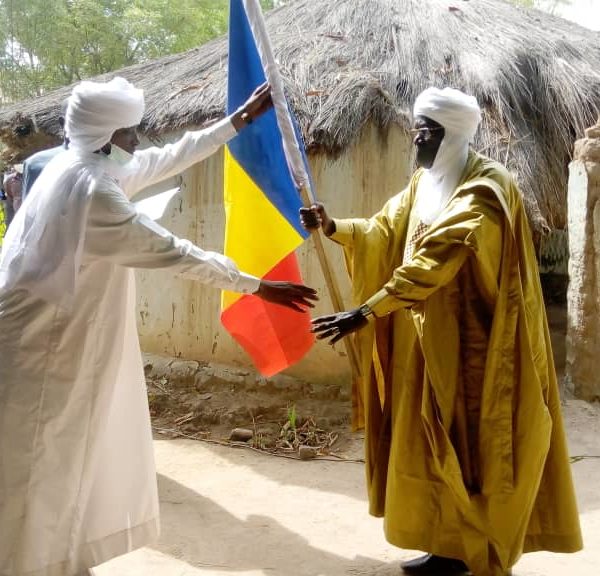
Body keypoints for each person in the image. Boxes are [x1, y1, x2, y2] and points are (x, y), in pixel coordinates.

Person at [0, 76, 317, 576]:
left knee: (54, 456)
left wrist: (237, 121)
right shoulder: (94, 191)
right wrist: (257, 286)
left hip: (50, 336)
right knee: (43, 457)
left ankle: (49, 556)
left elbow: (169, 156)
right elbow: (174, 252)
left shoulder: (78, 164)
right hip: (49, 349)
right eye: (130, 133)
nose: (137, 142)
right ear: (107, 136)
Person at [300, 87, 582, 575]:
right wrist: (334, 227)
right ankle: (442, 541)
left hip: (471, 347)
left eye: (424, 133)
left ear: (450, 134)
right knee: (422, 443)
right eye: (415, 130)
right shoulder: (423, 182)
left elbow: (437, 260)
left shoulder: (486, 190)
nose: (416, 141)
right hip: (418, 339)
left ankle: (473, 542)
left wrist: (366, 311)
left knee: (466, 446)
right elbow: (385, 231)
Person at [21, 99, 69, 200]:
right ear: (63, 123)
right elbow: (29, 211)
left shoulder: (106, 160)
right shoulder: (37, 164)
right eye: (80, 119)